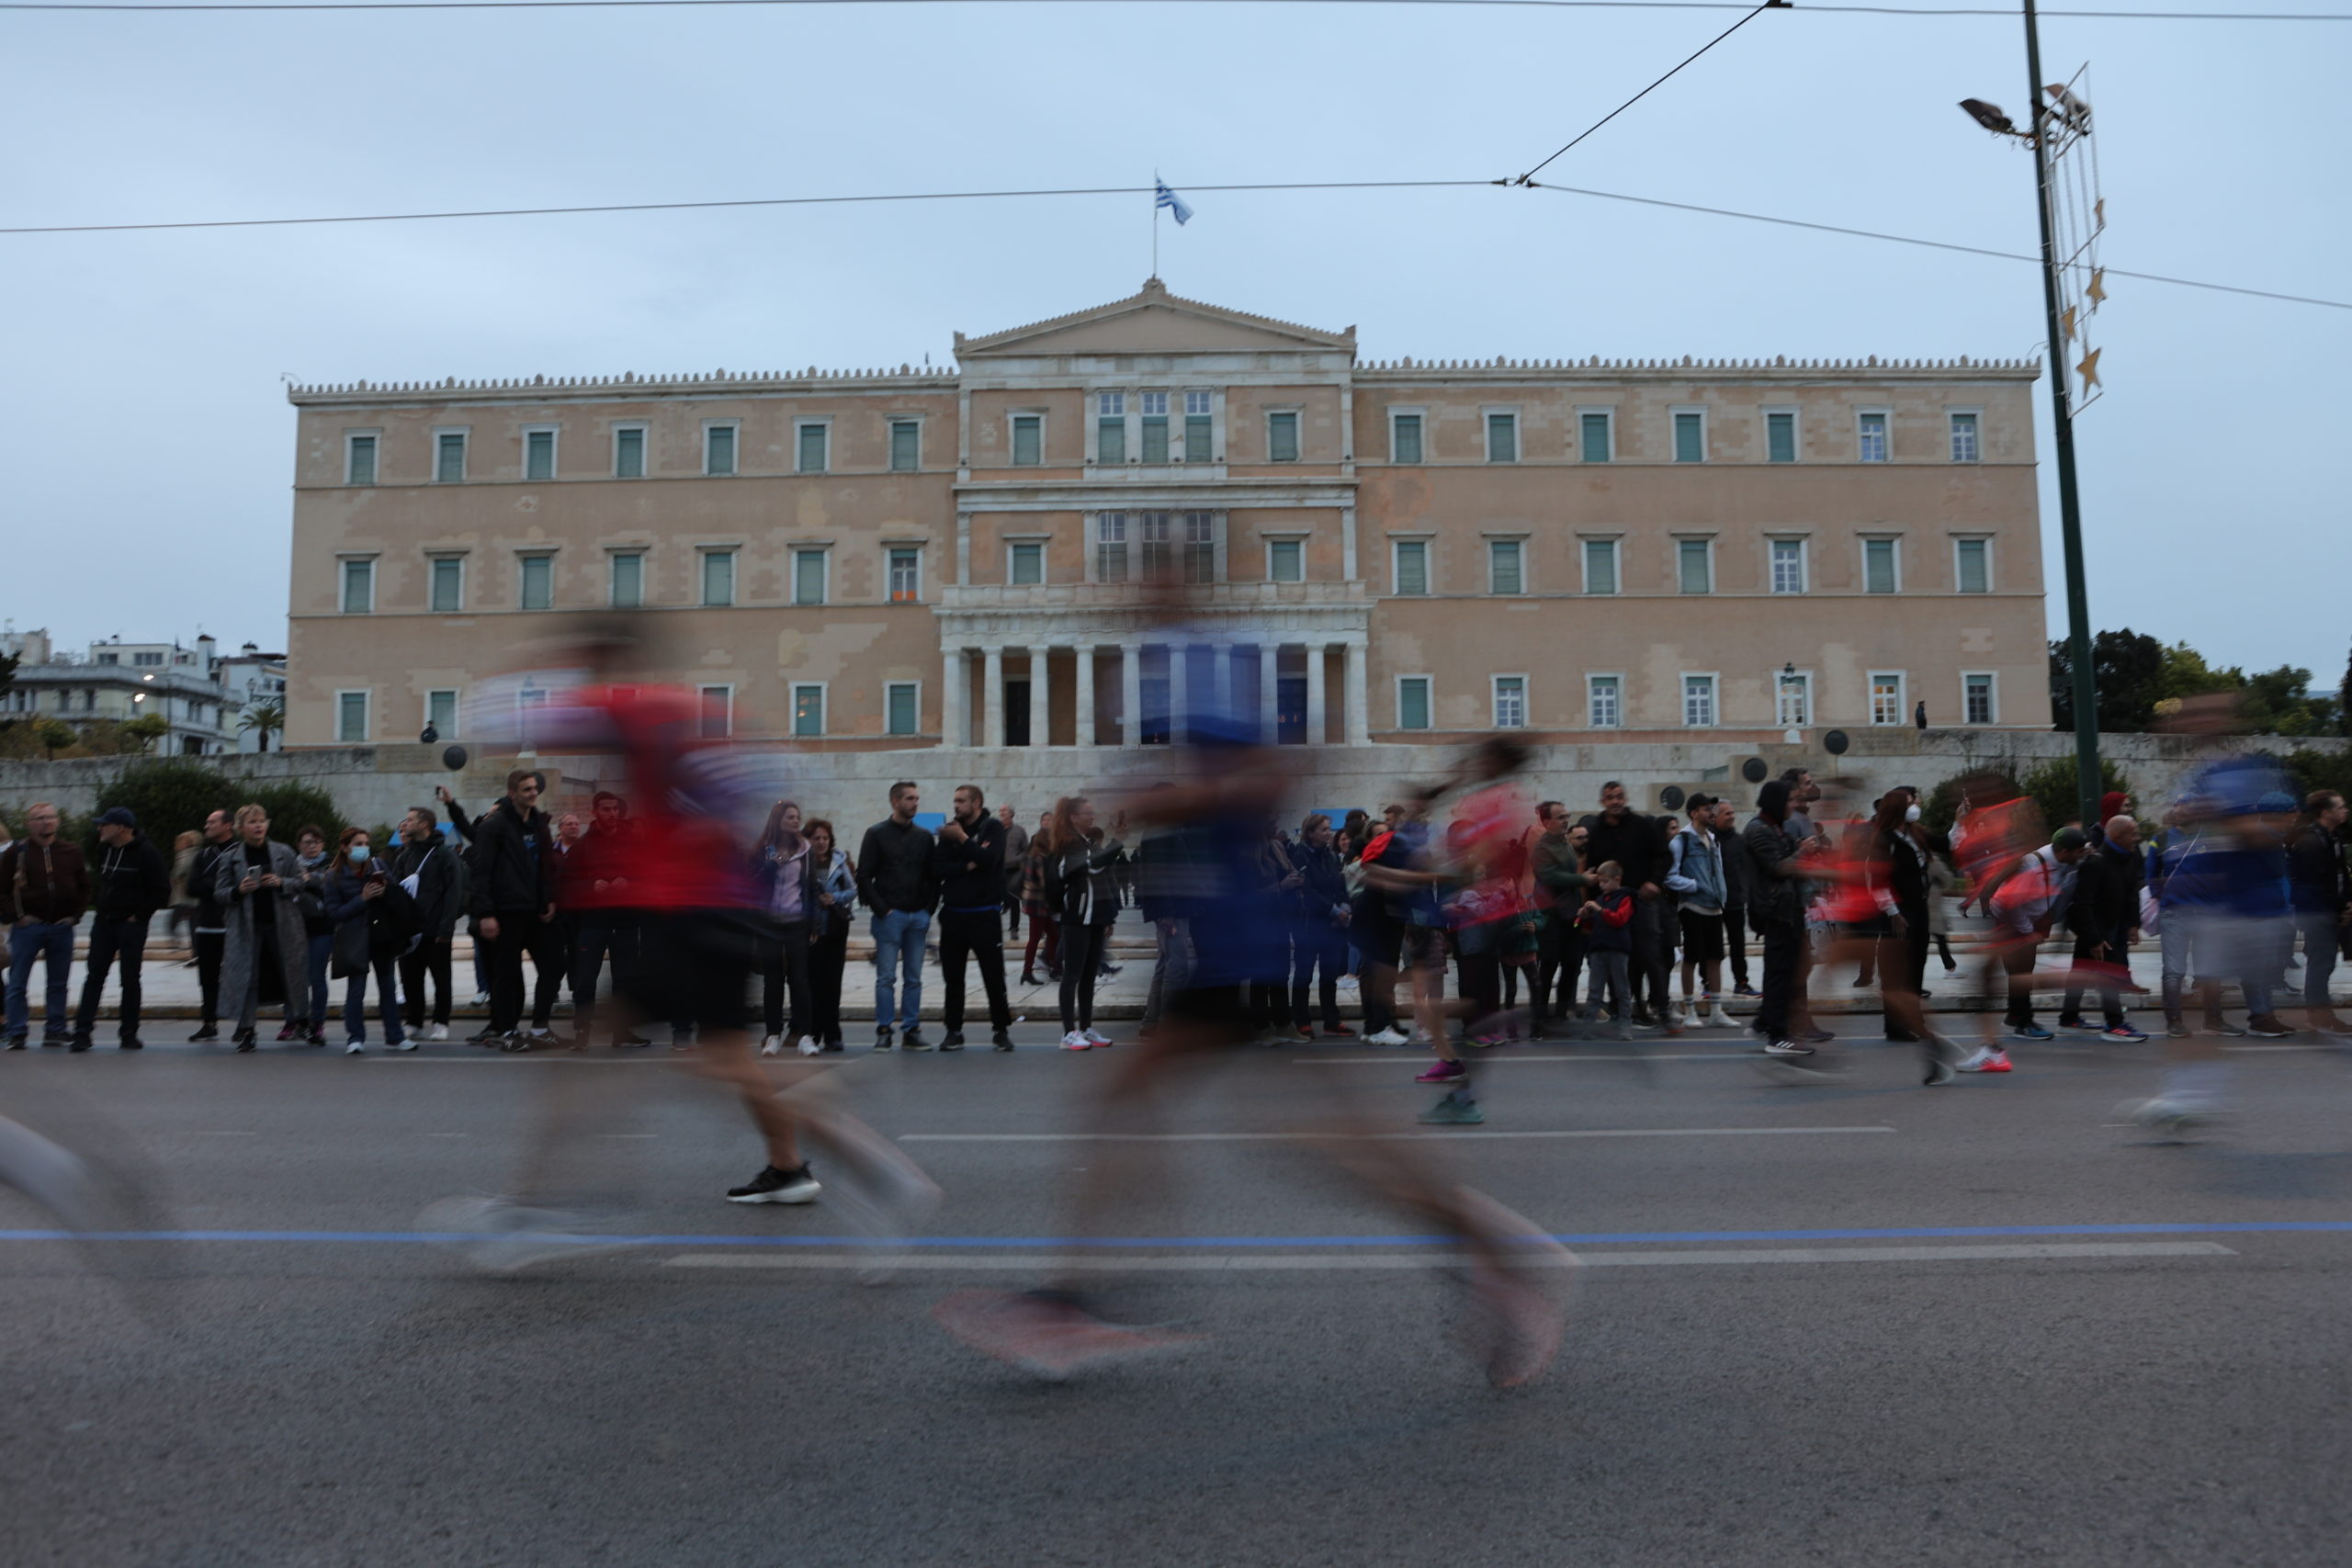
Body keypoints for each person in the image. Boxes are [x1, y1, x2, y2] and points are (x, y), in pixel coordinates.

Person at [469, 769, 562, 1050]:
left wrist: (550, 899)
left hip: (536, 911)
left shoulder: (540, 825)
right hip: (506, 911)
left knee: (555, 965)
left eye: (534, 788)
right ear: (512, 794)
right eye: (526, 790)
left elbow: (546, 867)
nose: (533, 793)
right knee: (508, 974)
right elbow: (481, 872)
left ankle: (540, 1028)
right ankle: (508, 1032)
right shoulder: (493, 826)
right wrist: (486, 914)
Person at [1975, 827, 2090, 1055]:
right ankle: (2023, 1023)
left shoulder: (2061, 862)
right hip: (2015, 925)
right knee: (2021, 976)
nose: (2080, 856)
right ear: (2063, 851)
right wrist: (2027, 931)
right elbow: (2004, 902)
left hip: (2028, 922)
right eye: (2078, 852)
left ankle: (2015, 1016)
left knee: (2021, 974)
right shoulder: (2032, 864)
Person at [68, 807, 170, 1052]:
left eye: (104, 825)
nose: (99, 828)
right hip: (104, 922)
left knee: (130, 979)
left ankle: (129, 1033)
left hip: (130, 924)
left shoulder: (147, 853)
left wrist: (138, 916)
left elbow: (161, 890)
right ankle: (82, 1033)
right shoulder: (105, 849)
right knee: (94, 977)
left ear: (121, 828)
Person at [215, 804, 309, 1051]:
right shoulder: (231, 857)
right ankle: (247, 1030)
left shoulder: (283, 851)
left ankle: (301, 1021)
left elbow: (300, 881)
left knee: (292, 973)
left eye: (261, 821)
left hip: (283, 925)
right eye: (252, 822)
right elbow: (220, 893)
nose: (258, 826)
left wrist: (280, 882)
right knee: (249, 977)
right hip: (247, 927)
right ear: (240, 828)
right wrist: (239, 890)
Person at [1583, 782, 1672, 1029]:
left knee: (1650, 955)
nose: (1616, 802)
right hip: (1612, 904)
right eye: (1611, 797)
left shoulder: (1642, 826)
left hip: (1641, 901)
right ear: (1603, 801)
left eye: (1620, 797)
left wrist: (1654, 883)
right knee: (1620, 959)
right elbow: (1592, 871)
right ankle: (1629, 1009)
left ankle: (1662, 1008)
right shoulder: (1596, 832)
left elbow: (1664, 855)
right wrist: (1591, 910)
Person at [856, 782, 937, 1051]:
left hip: (918, 916)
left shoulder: (925, 837)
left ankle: (911, 1029)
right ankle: (884, 1029)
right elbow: (864, 876)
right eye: (910, 798)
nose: (915, 803)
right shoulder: (876, 834)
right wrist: (882, 909)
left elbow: (933, 877)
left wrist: (928, 909)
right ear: (895, 801)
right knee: (886, 977)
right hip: (890, 915)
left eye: (917, 798)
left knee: (914, 977)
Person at [934, 784, 1015, 1053]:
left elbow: (990, 860)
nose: (956, 805)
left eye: (961, 801)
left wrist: (963, 841)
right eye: (954, 800)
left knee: (993, 976)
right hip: (954, 916)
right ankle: (953, 1031)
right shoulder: (949, 830)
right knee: (953, 978)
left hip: (985, 916)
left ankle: (1000, 1029)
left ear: (976, 802)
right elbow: (939, 868)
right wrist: (967, 863)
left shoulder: (991, 827)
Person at [3, 802, 89, 1050]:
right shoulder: (17, 852)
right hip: (28, 927)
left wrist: (75, 916)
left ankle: (56, 1030)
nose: (46, 822)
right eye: (39, 818)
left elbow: (85, 886)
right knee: (18, 982)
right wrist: (17, 916)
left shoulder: (71, 851)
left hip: (62, 927)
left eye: (50, 817)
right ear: (28, 824)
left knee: (58, 982)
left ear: (58, 821)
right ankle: (17, 1031)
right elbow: (3, 890)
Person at [324, 827, 417, 1054]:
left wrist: (385, 889)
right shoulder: (333, 876)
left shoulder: (378, 866)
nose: (363, 848)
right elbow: (334, 913)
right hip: (355, 938)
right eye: (358, 844)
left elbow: (396, 894)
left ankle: (395, 1036)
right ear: (345, 848)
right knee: (356, 990)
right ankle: (355, 1038)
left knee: (388, 987)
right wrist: (362, 898)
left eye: (366, 843)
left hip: (381, 935)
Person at [1044, 795, 1126, 1050]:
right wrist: (1117, 842)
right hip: (1076, 919)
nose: (1093, 816)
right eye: (1088, 813)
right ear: (1073, 817)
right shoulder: (1067, 845)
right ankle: (1068, 1033)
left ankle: (1086, 1028)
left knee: (1090, 975)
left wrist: (1108, 916)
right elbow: (1091, 867)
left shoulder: (1087, 842)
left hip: (1095, 918)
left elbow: (1104, 873)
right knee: (1072, 975)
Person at [2057, 813, 2148, 1041]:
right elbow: (2081, 904)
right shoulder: (2097, 862)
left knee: (2080, 972)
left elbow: (2131, 894)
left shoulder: (2130, 857)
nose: (2137, 837)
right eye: (2133, 833)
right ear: (2117, 836)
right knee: (2109, 973)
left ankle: (2069, 1019)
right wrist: (2094, 938)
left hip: (2115, 924)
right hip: (2097, 929)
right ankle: (2115, 1025)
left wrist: (2134, 924)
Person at [561, 792, 642, 1050]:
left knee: (625, 977)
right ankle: (582, 1030)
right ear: (595, 812)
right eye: (606, 809)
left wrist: (629, 882)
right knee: (586, 978)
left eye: (615, 809)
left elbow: (647, 876)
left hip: (625, 920)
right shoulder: (583, 846)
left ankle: (622, 1031)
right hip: (593, 921)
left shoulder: (631, 842)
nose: (612, 814)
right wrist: (590, 886)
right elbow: (567, 883)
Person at [1737, 781, 1812, 1059]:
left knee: (1790, 970)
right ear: (1776, 802)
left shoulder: (1775, 827)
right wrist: (1801, 852)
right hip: (1775, 910)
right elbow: (1777, 868)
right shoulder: (1759, 831)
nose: (1793, 805)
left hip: (1788, 908)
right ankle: (1777, 1036)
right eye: (1789, 800)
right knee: (1780, 972)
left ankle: (1764, 1022)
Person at [750, 800, 818, 1058]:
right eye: (790, 817)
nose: (795, 821)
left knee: (800, 980)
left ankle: (806, 1035)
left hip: (796, 923)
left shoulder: (805, 850)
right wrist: (770, 866)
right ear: (777, 820)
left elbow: (810, 888)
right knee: (773, 981)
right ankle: (772, 1034)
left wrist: (813, 924)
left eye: (797, 817)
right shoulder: (763, 850)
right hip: (769, 924)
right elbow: (752, 884)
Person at [1664, 794, 1736, 1030]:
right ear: (1694, 812)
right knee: (1692, 957)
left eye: (1712, 809)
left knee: (1715, 957)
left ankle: (1716, 1010)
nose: (1711, 813)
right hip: (1693, 906)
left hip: (1714, 906)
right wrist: (1694, 886)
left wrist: (1720, 893)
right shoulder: (1681, 841)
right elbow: (1670, 876)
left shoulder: (1713, 839)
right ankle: (1690, 1010)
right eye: (1707, 809)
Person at [390, 807, 463, 1042]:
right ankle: (414, 1021)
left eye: (410, 820)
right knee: (411, 979)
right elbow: (395, 892)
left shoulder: (444, 854)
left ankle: (441, 1022)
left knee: (441, 978)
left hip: (435, 931)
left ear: (424, 824)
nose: (405, 824)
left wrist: (446, 927)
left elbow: (454, 892)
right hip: (410, 932)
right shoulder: (405, 856)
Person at [2287, 790, 2349, 1036]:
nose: (2345, 810)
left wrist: (2347, 903)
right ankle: (2320, 1017)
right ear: (2326, 812)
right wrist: (2339, 908)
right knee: (2320, 965)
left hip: (2329, 910)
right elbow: (2314, 884)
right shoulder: (2311, 842)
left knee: (2324, 965)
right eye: (2341, 806)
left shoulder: (2331, 838)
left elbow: (2340, 875)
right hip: (2318, 912)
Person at [1288, 812, 1352, 1039]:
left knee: (1329, 974)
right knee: (1304, 975)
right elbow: (1307, 890)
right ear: (1311, 832)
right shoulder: (1300, 855)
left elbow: (1340, 883)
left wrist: (1345, 908)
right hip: (1309, 924)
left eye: (1329, 828)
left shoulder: (1330, 856)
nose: (1329, 833)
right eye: (1324, 829)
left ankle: (1331, 1021)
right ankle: (1302, 1020)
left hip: (1333, 925)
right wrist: (1334, 911)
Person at [804, 818, 854, 1053]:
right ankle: (812, 1034)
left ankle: (833, 1035)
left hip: (835, 928)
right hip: (811, 931)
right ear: (808, 840)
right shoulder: (802, 862)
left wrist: (834, 898)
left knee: (833, 984)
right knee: (813, 984)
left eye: (825, 838)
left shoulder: (839, 860)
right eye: (816, 838)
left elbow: (853, 889)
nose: (821, 842)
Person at [187, 808, 234, 1040]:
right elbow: (191, 887)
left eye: (212, 822)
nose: (206, 826)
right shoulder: (203, 855)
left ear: (227, 825)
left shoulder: (239, 852)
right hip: (206, 924)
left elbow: (239, 886)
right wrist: (218, 885)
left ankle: (243, 1024)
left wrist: (211, 884)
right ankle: (209, 1022)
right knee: (207, 977)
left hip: (233, 925)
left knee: (238, 975)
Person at [288, 826, 336, 1046]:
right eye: (307, 842)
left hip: (321, 928)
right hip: (295, 928)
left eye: (316, 842)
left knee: (316, 977)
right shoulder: (291, 865)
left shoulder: (331, 865)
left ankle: (317, 1023)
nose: (312, 846)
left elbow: (326, 883)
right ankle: (294, 1021)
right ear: (299, 845)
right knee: (294, 977)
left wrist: (307, 880)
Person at [1577, 860, 1636, 1036]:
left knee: (1621, 989)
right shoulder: (1600, 899)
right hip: (1598, 948)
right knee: (1594, 989)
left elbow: (1619, 919)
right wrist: (1585, 917)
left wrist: (1600, 910)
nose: (1601, 886)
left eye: (1605, 882)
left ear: (1617, 879)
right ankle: (1588, 1026)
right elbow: (1592, 926)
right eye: (1600, 882)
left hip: (1618, 948)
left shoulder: (1626, 898)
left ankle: (1625, 1025)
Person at [1711, 799, 1756, 998]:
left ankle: (1742, 982)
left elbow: (1747, 869)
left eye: (1732, 813)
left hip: (1735, 901)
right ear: (1716, 817)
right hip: (1712, 902)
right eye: (1726, 813)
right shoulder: (1708, 839)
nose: (1731, 817)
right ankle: (1709, 984)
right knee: (1712, 945)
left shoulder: (1740, 841)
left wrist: (1745, 892)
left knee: (1738, 945)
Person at [998, 804, 1029, 943]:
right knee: (997, 897)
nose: (1001, 813)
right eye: (1000, 811)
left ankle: (1014, 928)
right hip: (997, 869)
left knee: (1014, 898)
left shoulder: (1019, 831)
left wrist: (1017, 859)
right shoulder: (996, 829)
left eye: (1004, 810)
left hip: (1013, 869)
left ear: (1011, 813)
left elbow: (1026, 850)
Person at [165, 829, 200, 951]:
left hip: (183, 896)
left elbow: (182, 868)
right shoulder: (197, 853)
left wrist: (174, 877)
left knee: (172, 922)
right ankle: (195, 950)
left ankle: (176, 943)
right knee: (193, 924)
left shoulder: (185, 854)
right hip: (192, 897)